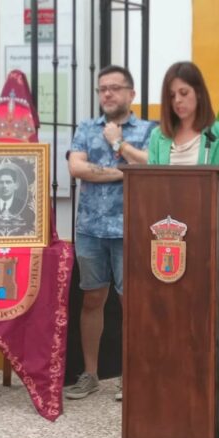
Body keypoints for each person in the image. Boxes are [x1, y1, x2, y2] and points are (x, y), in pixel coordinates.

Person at [65, 65, 153, 401]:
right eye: (102, 89)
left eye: (115, 88)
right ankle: (90, 374)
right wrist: (123, 172)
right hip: (90, 230)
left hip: (130, 228)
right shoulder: (87, 128)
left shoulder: (147, 130)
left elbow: (152, 166)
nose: (107, 94)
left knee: (130, 302)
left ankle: (133, 376)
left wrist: (120, 150)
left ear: (131, 94)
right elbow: (76, 167)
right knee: (92, 299)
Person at [148, 61, 219, 176]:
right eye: (171, 96)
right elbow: (150, 181)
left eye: (184, 93)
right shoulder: (157, 136)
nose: (177, 100)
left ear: (199, 93)